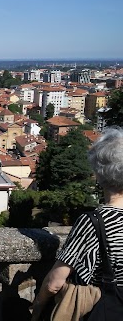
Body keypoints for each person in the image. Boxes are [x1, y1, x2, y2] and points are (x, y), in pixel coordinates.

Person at [30, 127, 123, 320]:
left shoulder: (95, 222)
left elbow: (54, 283)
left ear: (99, 173)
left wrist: (37, 307)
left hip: (103, 310)